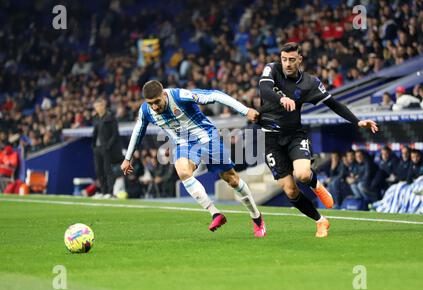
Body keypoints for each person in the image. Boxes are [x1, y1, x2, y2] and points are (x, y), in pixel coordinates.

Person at [258, 42, 378, 237]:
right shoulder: (271, 69)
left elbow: (333, 103)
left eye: (291, 60)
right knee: (290, 191)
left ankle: (316, 185)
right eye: (284, 59)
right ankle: (320, 221)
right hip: (271, 139)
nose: (287, 64)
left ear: (299, 59)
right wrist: (281, 99)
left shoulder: (309, 83)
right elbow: (264, 90)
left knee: (303, 174)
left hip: (295, 135)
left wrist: (357, 121)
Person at [121, 80, 266, 237]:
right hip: (184, 144)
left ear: (164, 94)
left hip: (207, 137)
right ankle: (215, 214)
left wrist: (245, 111)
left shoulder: (180, 96)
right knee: (183, 172)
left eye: (157, 102)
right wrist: (127, 158)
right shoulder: (146, 111)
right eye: (151, 104)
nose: (155, 107)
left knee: (232, 180)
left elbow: (216, 95)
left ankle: (256, 217)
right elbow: (138, 131)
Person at [92, 97, 124, 199]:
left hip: (106, 149)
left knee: (107, 170)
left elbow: (115, 134)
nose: (97, 108)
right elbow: (95, 133)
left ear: (103, 106)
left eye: (98, 106)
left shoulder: (111, 118)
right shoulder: (96, 118)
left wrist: (108, 146)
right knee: (99, 170)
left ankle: (110, 192)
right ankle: (103, 191)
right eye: (96, 106)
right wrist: (93, 146)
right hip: (97, 148)